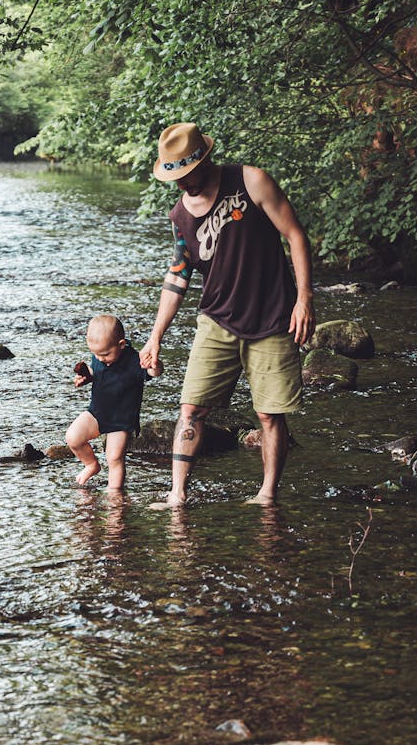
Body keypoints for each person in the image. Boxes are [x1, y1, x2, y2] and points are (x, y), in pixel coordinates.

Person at [138, 123, 316, 508]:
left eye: (187, 175)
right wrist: (155, 337)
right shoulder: (180, 216)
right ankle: (177, 495)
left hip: (272, 318)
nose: (183, 185)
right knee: (190, 409)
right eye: (176, 178)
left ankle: (267, 495)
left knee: (269, 415)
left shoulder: (251, 182)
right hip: (216, 320)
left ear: (205, 160)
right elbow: (177, 277)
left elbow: (296, 236)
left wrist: (304, 299)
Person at [66, 314, 162, 490]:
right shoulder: (100, 354)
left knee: (114, 457)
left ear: (121, 345)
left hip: (121, 419)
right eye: (95, 354)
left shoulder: (134, 360)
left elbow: (152, 374)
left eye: (105, 354)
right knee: (73, 437)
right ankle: (91, 465)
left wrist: (154, 365)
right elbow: (98, 371)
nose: (100, 358)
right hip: (97, 412)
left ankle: (114, 493)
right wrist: (87, 376)